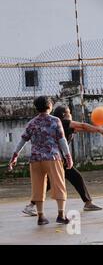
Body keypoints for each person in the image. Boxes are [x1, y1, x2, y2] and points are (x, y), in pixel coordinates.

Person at [22, 105, 103, 216]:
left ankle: (31, 205)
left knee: (52, 183)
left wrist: (97, 130)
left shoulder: (64, 125)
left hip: (57, 159)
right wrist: (99, 129)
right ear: (64, 115)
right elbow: (82, 125)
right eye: (69, 113)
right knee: (72, 178)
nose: (71, 115)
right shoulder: (62, 123)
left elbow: (83, 128)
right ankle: (87, 203)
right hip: (56, 159)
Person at [8, 96, 73, 225]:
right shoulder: (55, 121)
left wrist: (15, 156)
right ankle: (61, 215)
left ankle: (41, 217)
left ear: (37, 108)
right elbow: (62, 140)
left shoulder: (32, 122)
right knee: (59, 185)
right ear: (49, 106)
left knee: (38, 188)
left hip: (36, 159)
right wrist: (68, 156)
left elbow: (23, 140)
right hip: (52, 158)